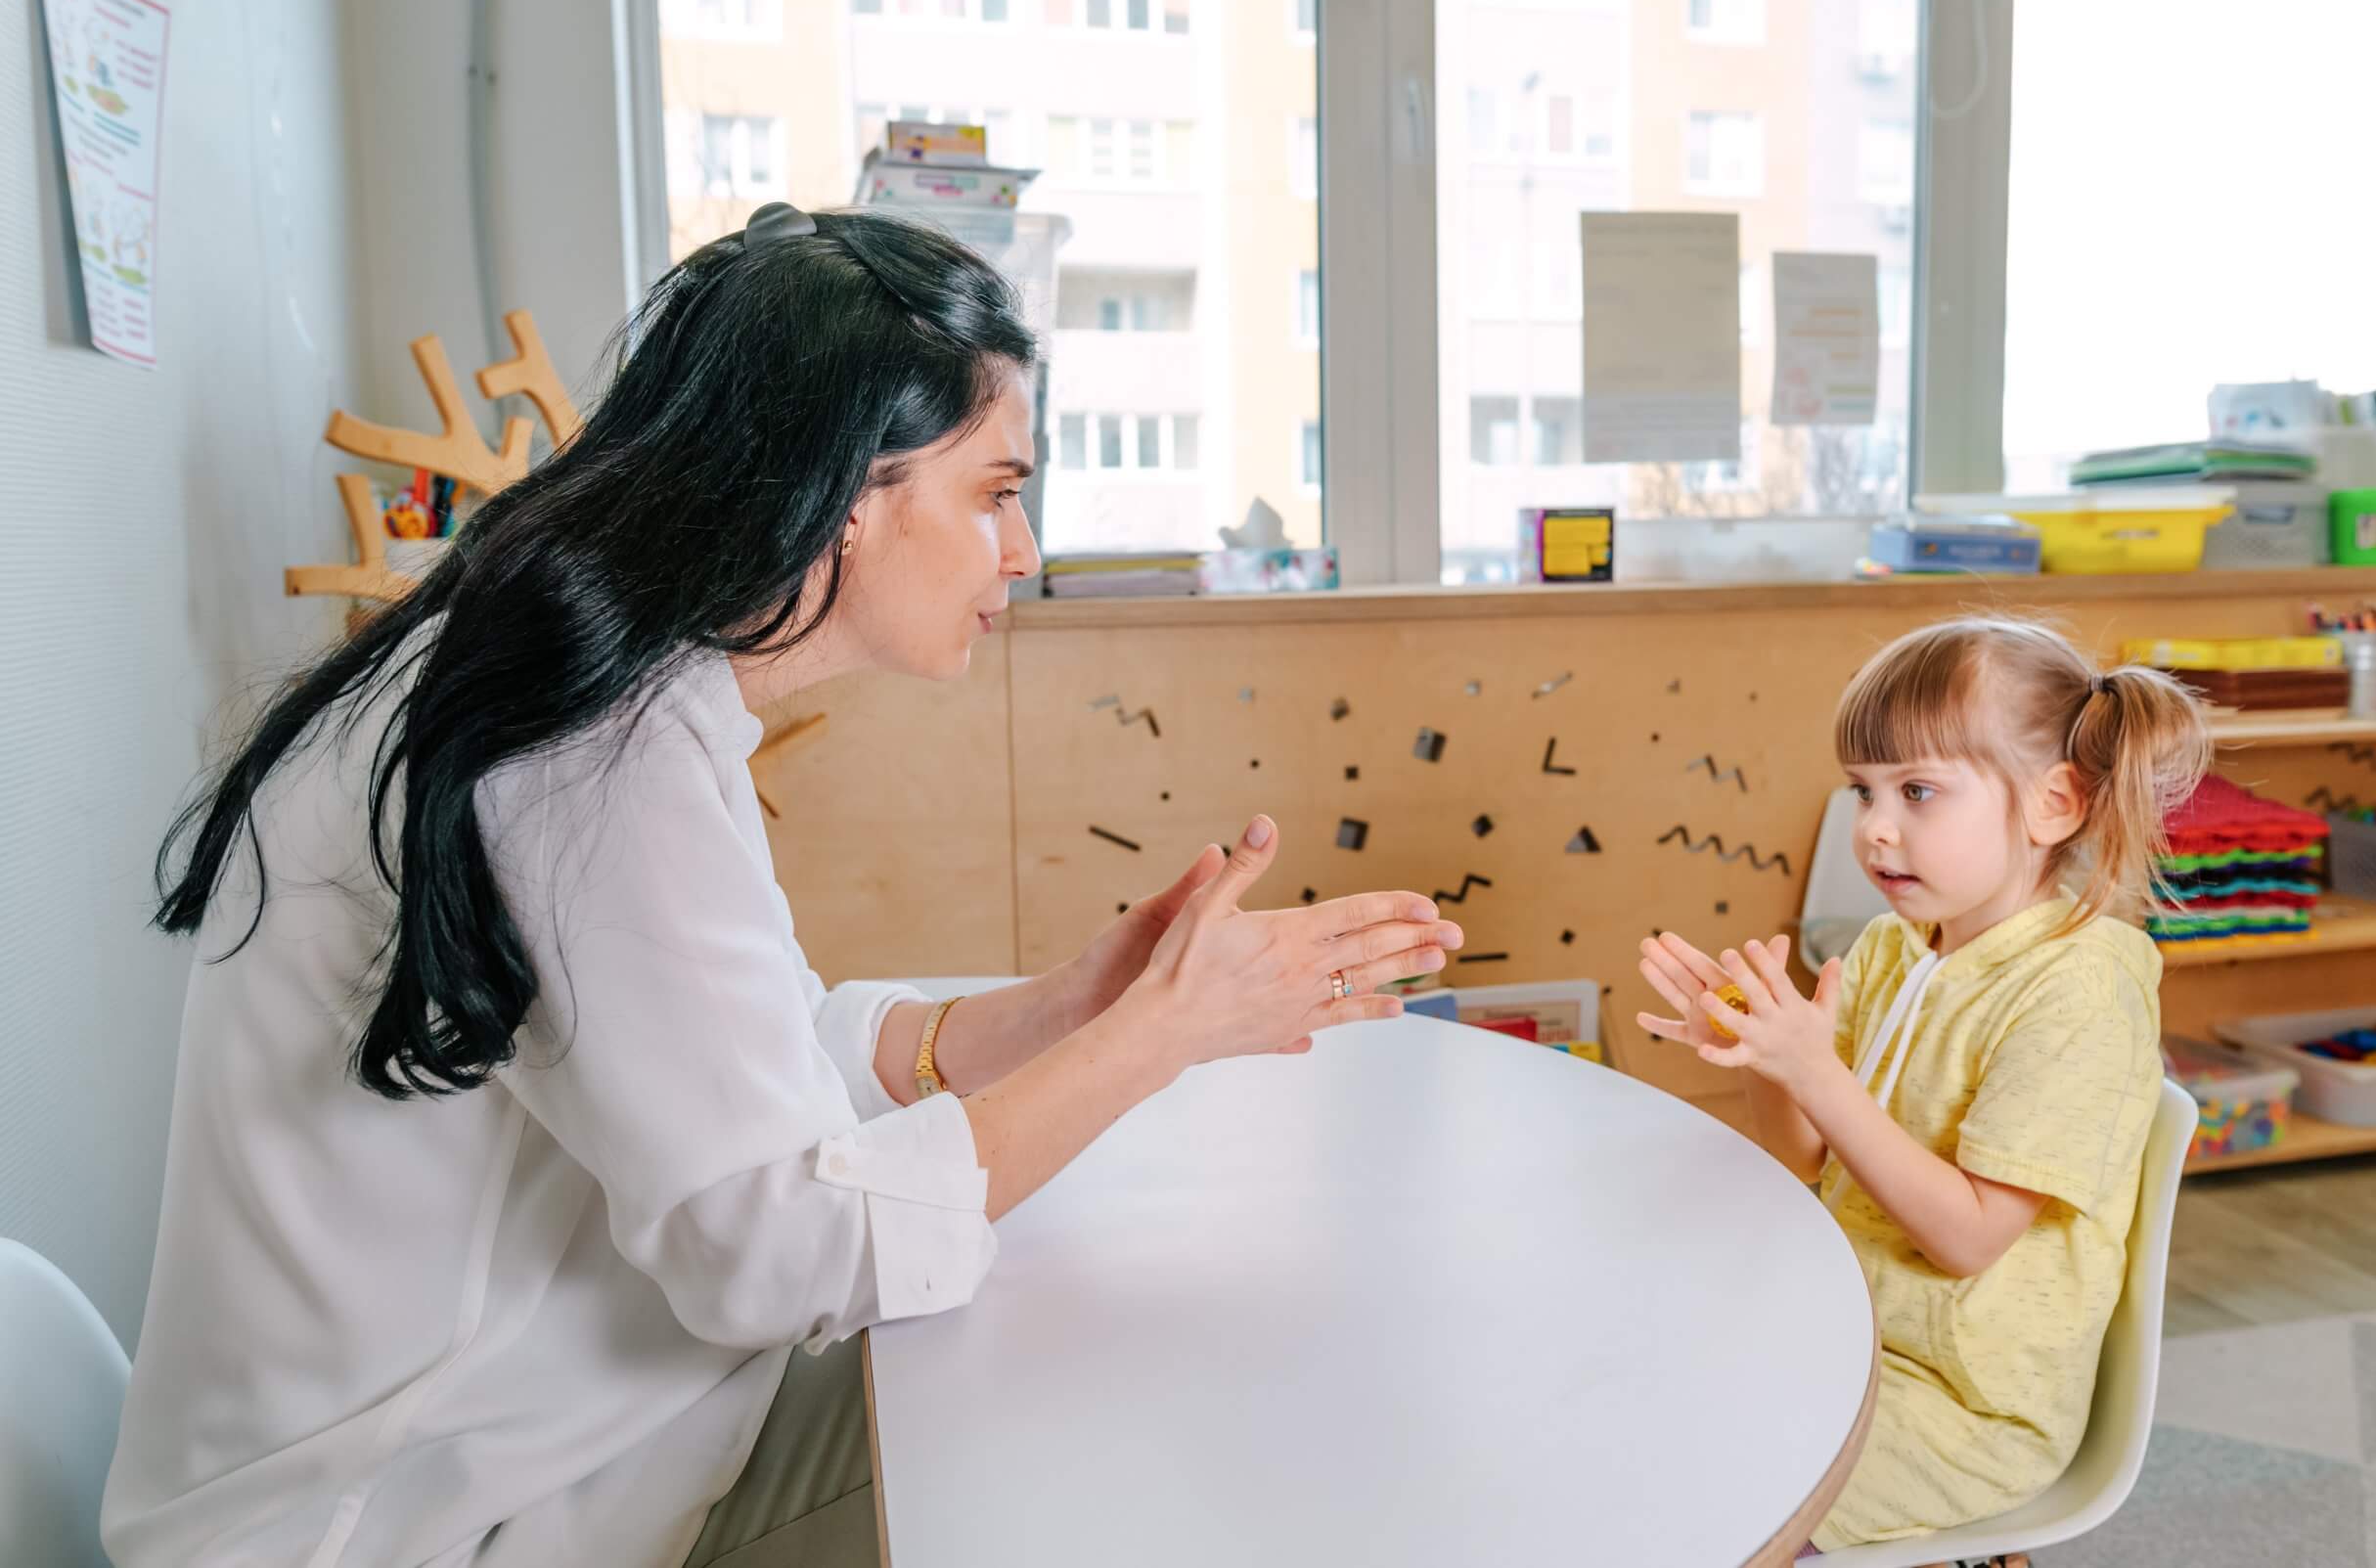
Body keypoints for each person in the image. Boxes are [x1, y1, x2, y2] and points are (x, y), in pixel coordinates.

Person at [105, 204, 1462, 1568]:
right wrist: (1156, 1032)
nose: (1024, 548)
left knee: (1086, 1354)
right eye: (995, 490)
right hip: (425, 1523)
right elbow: (780, 1247)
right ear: (846, 489)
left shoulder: (582, 678)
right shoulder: (587, 745)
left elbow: (740, 1058)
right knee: (1121, 1420)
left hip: (540, 1442)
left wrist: (1069, 1005)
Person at [1634, 615, 2208, 1553]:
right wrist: (1767, 1058)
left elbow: (1971, 1235)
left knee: (1710, 1500)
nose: (1875, 828)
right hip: (1841, 1330)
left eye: (1919, 790)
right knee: (1628, 1394)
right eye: (1863, 791)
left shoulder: (2082, 987)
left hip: (1965, 1405)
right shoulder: (1894, 946)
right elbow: (1805, 1159)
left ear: (2054, 804)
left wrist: (1817, 1068)